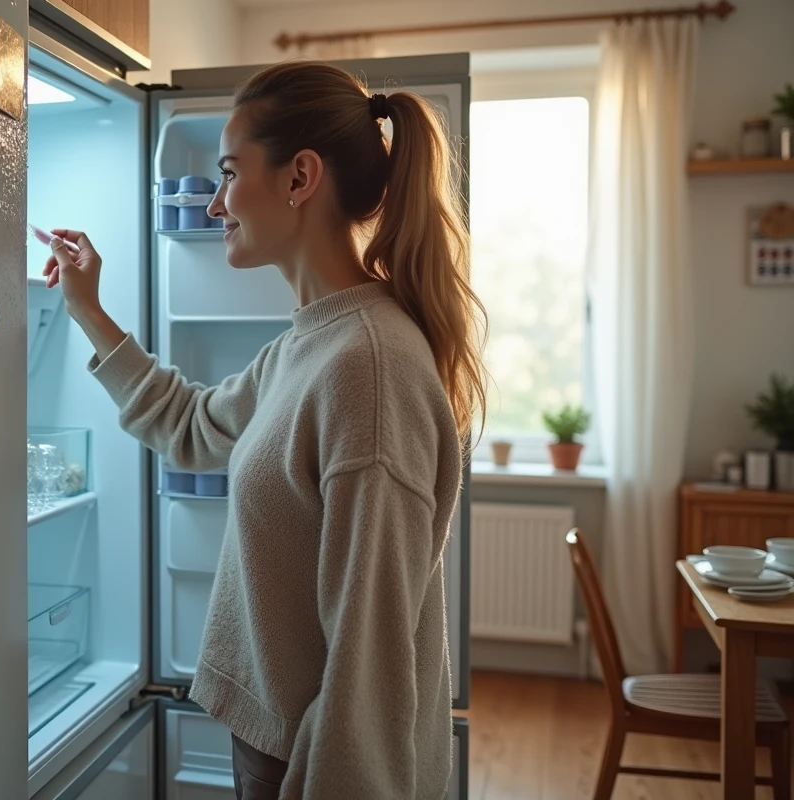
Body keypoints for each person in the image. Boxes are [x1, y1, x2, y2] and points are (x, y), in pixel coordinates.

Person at [42, 61, 486, 800]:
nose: (215, 203)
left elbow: (367, 672)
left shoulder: (367, 369)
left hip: (317, 766)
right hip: (277, 742)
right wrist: (88, 306)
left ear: (298, 177)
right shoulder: (313, 344)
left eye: (226, 173)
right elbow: (191, 426)